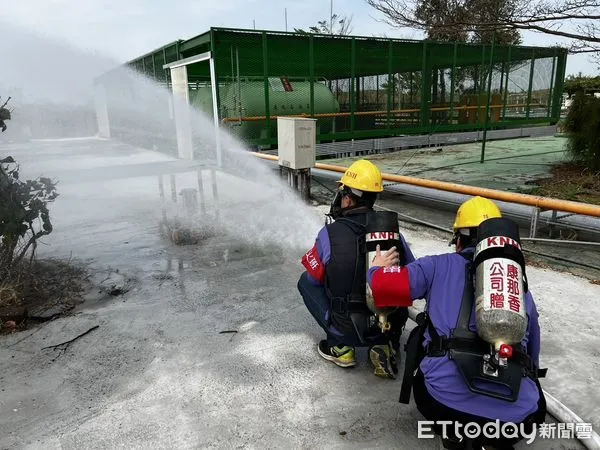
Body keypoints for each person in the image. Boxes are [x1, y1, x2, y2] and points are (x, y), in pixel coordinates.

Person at [368, 196, 547, 449]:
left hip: (443, 403)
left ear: (459, 239)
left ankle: (456, 432)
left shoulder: (437, 265)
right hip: (519, 420)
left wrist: (376, 269)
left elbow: (383, 290)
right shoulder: (517, 290)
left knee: (423, 340)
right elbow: (533, 356)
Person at [297, 159, 415, 379]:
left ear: (348, 198)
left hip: (346, 324)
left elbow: (314, 279)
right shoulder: (393, 234)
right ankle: (384, 345)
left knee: (305, 281)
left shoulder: (330, 234)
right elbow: (412, 273)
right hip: (386, 321)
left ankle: (340, 347)